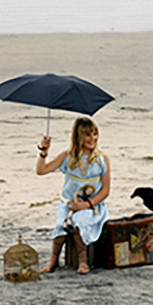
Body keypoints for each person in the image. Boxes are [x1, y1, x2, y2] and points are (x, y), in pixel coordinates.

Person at [35, 116, 110, 275]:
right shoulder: (67, 157)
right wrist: (44, 152)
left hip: (91, 206)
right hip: (68, 204)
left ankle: (83, 261)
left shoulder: (101, 160)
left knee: (79, 222)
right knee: (60, 225)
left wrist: (86, 205)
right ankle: (53, 260)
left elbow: (105, 191)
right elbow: (41, 171)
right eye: (87, 135)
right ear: (78, 136)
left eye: (95, 134)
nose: (92, 139)